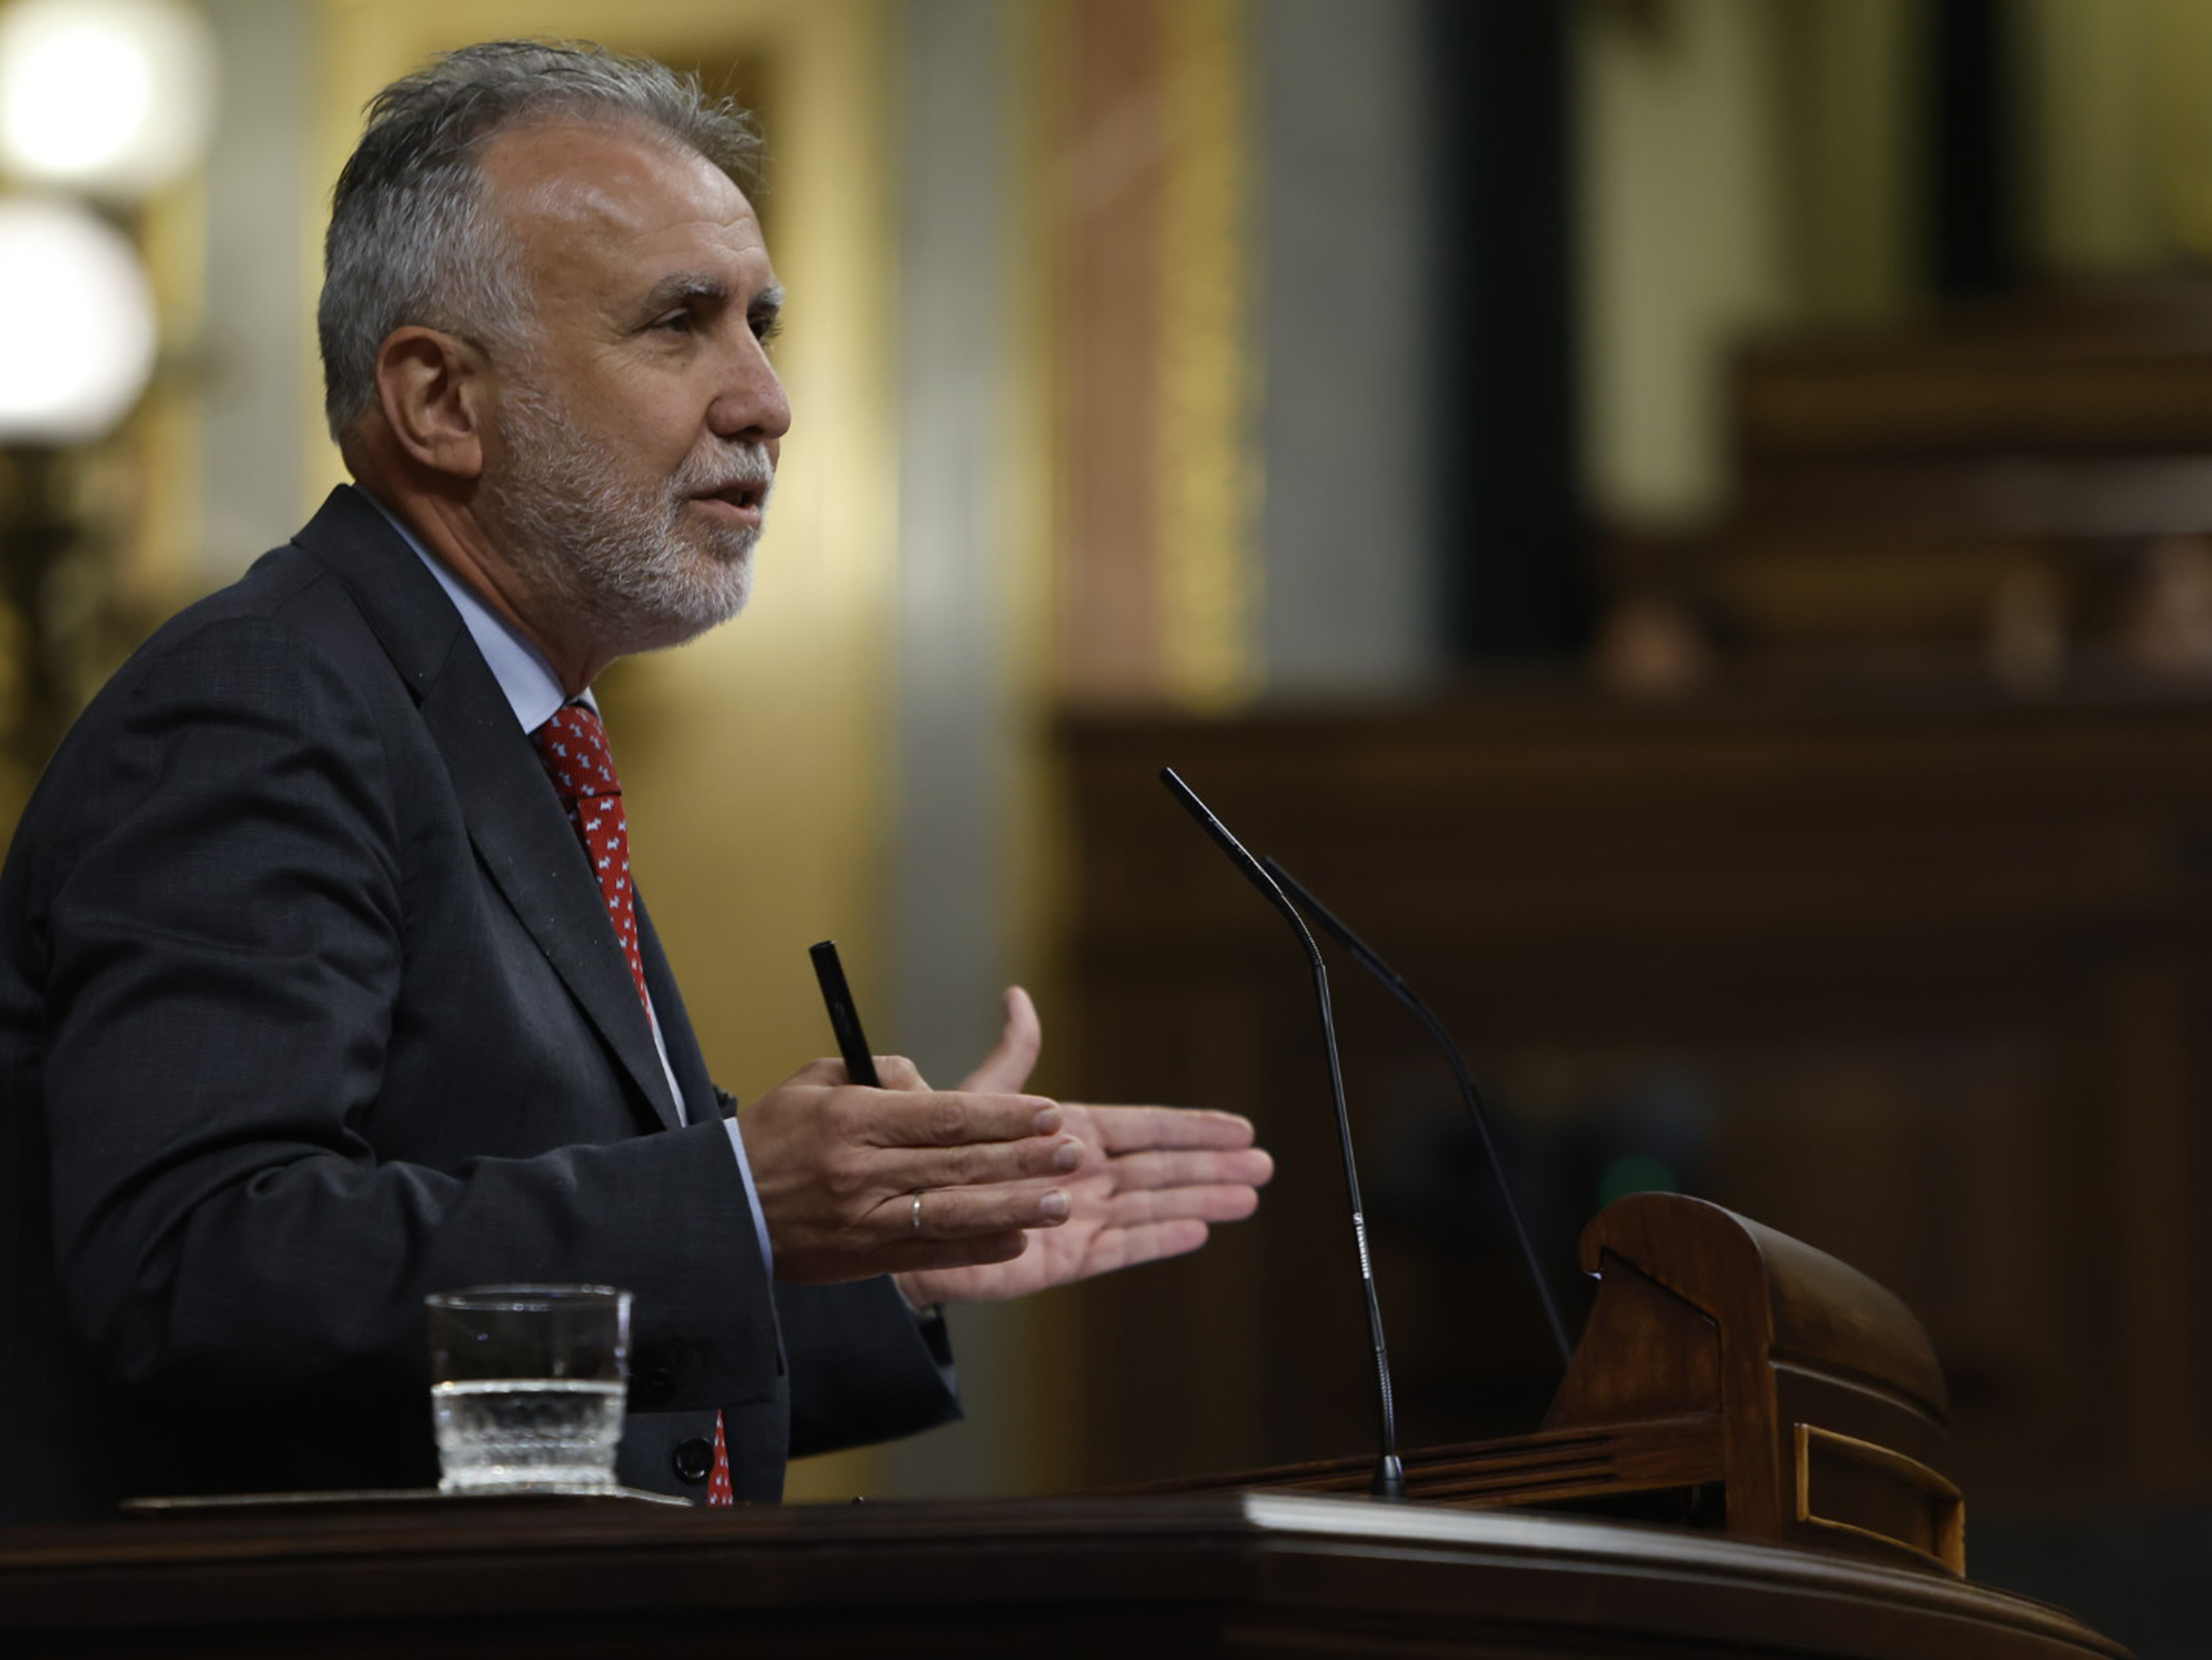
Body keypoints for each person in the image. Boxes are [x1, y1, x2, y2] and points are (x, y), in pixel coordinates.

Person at [0, 38, 1271, 1523]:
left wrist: (875, 1254)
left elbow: (488, 1322)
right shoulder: (268, 704)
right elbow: (201, 1269)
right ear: (439, 401)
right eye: (682, 324)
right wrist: (737, 1199)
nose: (768, 400)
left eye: (762, 322)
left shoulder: (504, 728)